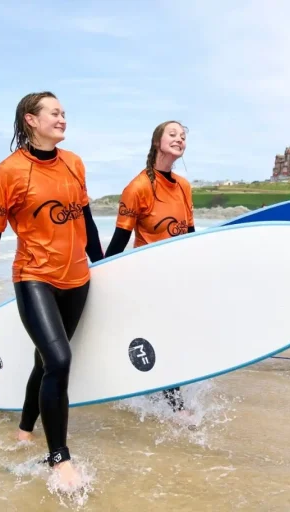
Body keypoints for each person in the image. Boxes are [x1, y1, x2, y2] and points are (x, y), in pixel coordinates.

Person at [0, 91, 104, 489]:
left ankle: (24, 429)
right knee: (60, 359)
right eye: (54, 113)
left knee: (46, 362)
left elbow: (87, 222)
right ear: (31, 119)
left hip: (77, 279)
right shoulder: (7, 172)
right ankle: (59, 458)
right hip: (34, 277)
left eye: (63, 112)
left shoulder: (74, 163)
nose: (62, 118)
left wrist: (106, 263)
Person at [104, 120, 195, 418]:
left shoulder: (183, 186)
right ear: (158, 142)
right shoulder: (138, 188)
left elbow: (192, 237)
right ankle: (177, 407)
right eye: (173, 134)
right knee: (162, 337)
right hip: (147, 279)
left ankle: (157, 390)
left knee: (178, 336)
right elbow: (119, 241)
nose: (179, 139)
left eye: (183, 136)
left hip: (177, 277)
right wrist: (100, 277)